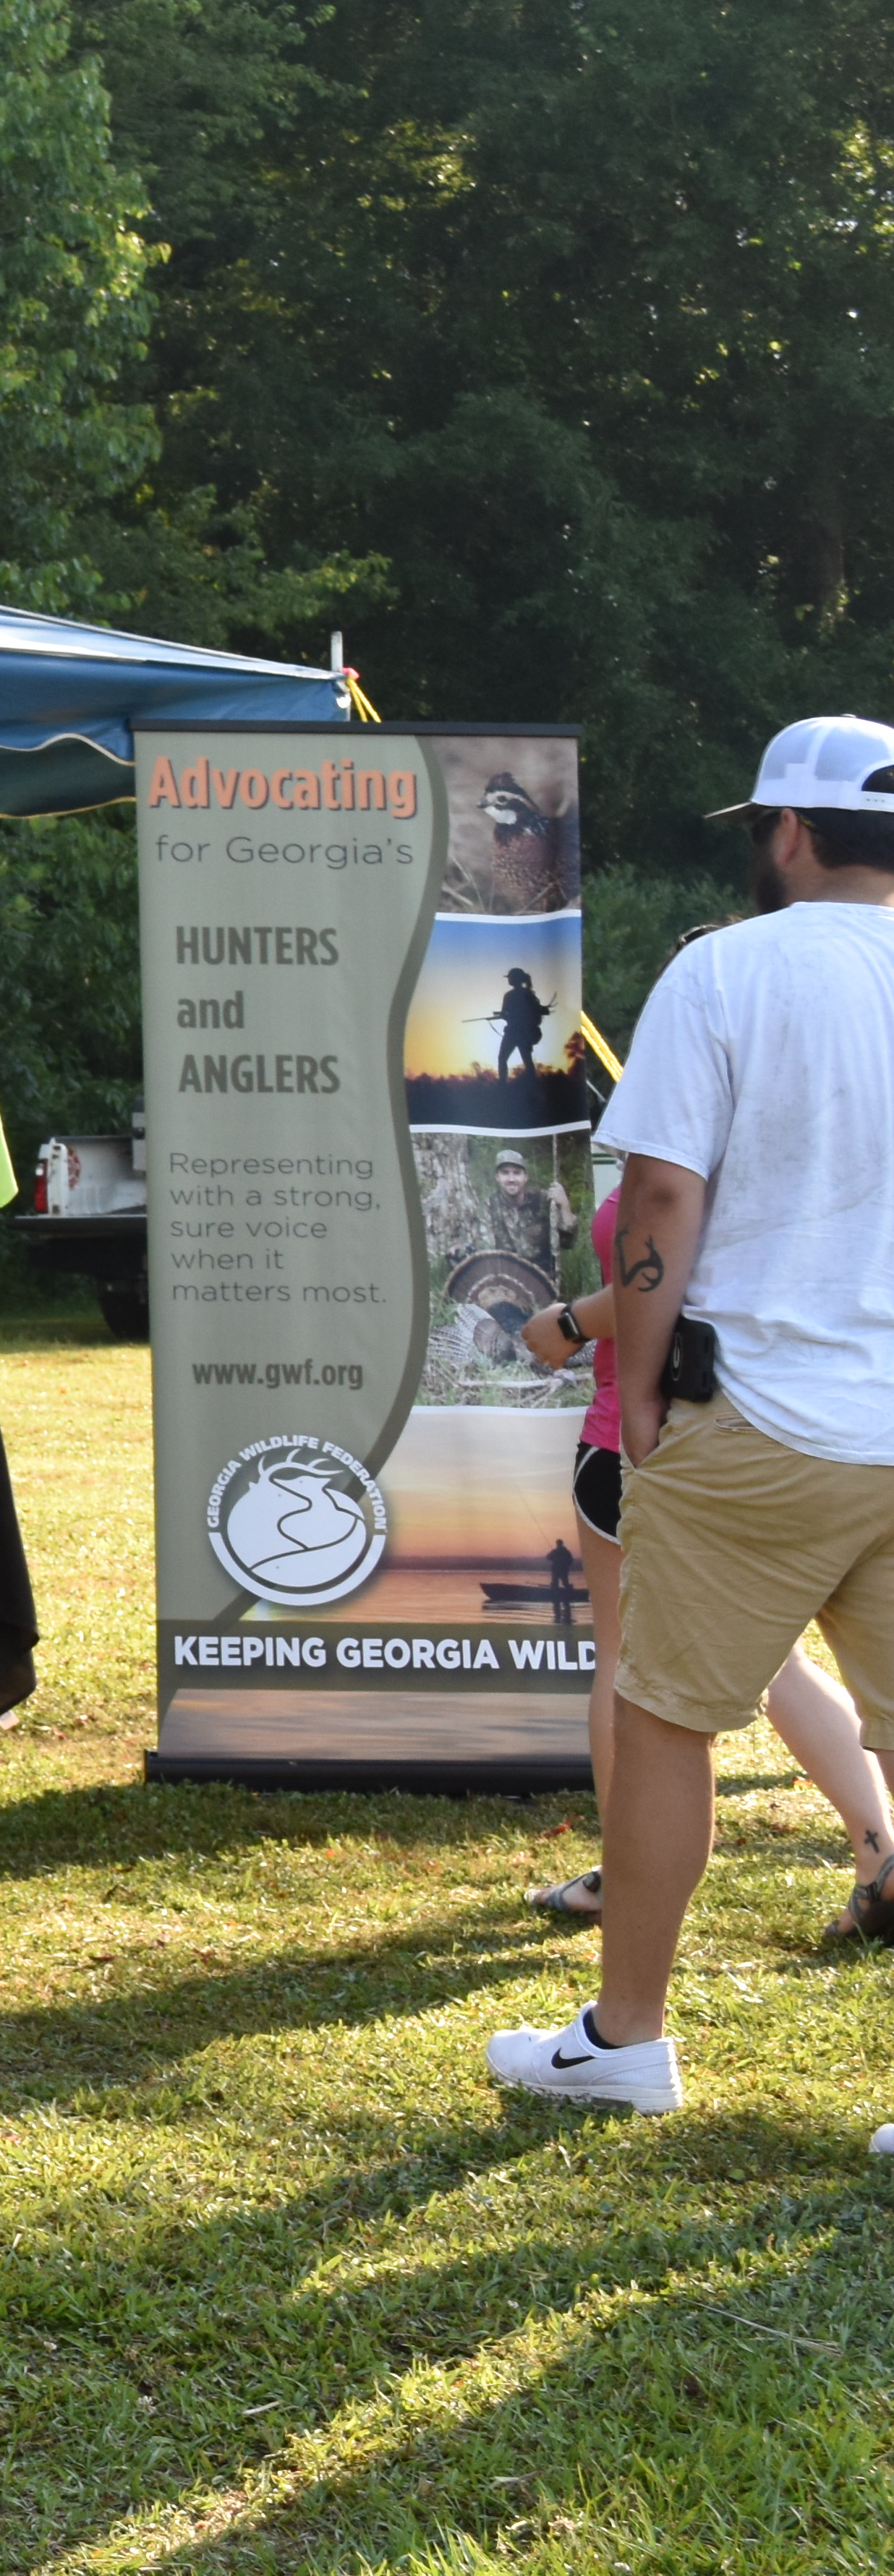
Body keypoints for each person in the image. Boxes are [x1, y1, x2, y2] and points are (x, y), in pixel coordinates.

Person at [482, 716, 894, 2123]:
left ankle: (629, 2037)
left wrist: (638, 1381)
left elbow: (662, 1200)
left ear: (786, 832)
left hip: (764, 1416)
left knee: (664, 1724)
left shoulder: (728, 968)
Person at [524, 1187, 893, 1927]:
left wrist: (566, 1321)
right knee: (775, 1660)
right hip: (789, 1434)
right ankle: (877, 1850)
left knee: (633, 1672)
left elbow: (670, 1270)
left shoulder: (699, 1152)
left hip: (670, 1441)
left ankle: (627, 1881)